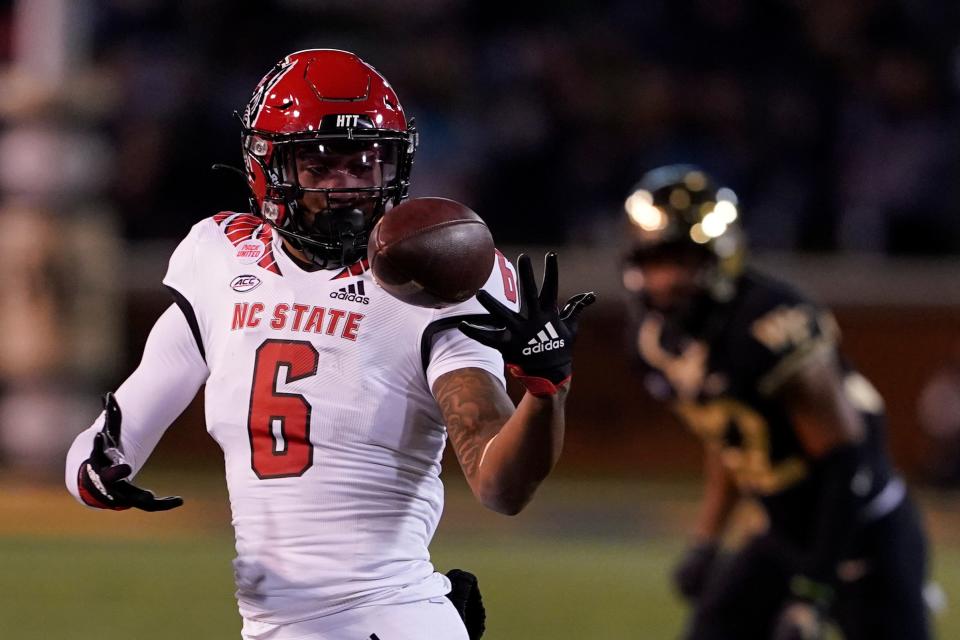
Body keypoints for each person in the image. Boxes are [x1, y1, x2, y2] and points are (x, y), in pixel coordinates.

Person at [64, 49, 594, 640]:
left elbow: (500, 486)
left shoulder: (435, 284)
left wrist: (546, 393)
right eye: (321, 164)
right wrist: (97, 468)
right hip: (277, 627)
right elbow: (120, 426)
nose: (348, 186)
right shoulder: (219, 254)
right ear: (268, 167)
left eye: (366, 163)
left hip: (387, 620)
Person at [620, 165, 929, 639]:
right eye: (654, 262)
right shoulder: (656, 342)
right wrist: (707, 541)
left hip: (863, 531)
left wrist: (814, 592)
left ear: (717, 256)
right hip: (784, 533)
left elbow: (845, 464)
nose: (664, 280)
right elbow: (731, 440)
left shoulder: (768, 324)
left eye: (679, 261)